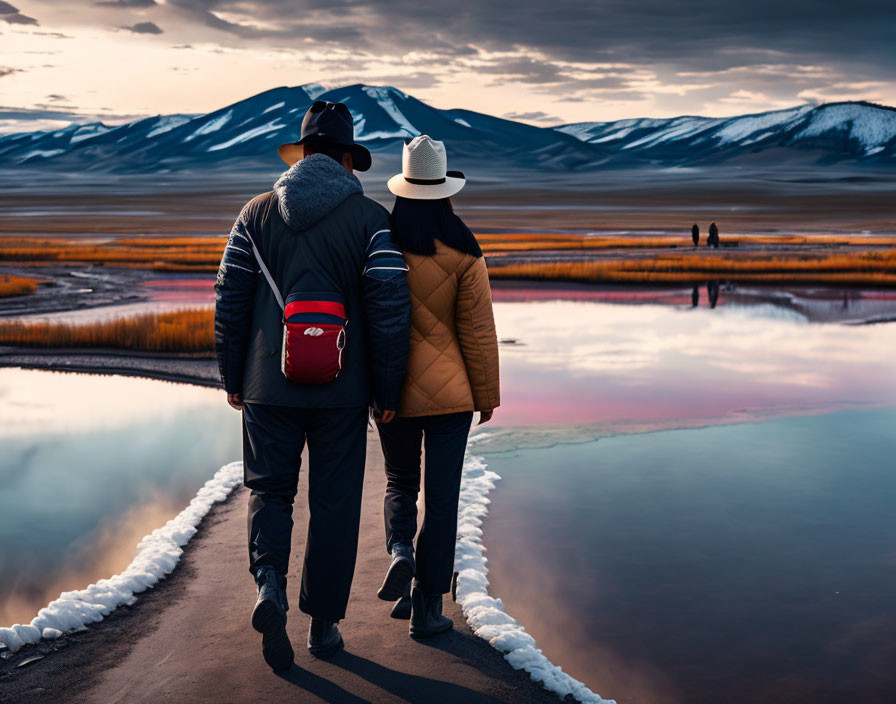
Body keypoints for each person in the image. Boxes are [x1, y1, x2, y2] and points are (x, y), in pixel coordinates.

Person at [214, 101, 410, 671]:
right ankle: (322, 629)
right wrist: (387, 391)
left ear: (301, 156)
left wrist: (233, 377)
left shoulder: (252, 215)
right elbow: (390, 312)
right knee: (334, 504)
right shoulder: (372, 221)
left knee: (271, 493)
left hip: (266, 389)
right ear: (348, 160)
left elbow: (228, 300)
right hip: (342, 395)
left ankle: (268, 586)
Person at [374, 135, 500, 637]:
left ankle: (400, 551)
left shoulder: (381, 243)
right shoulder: (466, 251)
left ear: (402, 189)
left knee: (399, 482)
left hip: (394, 394)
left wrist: (374, 391)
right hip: (453, 397)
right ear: (447, 191)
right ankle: (427, 609)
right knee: (442, 498)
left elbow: (369, 322)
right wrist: (486, 396)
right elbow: (478, 331)